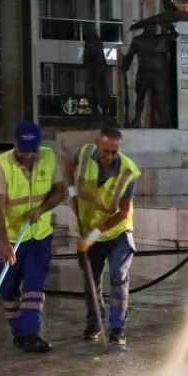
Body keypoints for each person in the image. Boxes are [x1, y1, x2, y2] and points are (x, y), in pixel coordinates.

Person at [0, 121, 66, 353]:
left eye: (32, 150)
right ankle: (19, 335)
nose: (27, 155)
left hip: (39, 236)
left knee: (34, 284)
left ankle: (31, 334)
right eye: (23, 150)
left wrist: (41, 210)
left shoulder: (49, 157)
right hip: (11, 238)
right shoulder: (1, 166)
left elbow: (60, 191)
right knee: (9, 289)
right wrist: (4, 243)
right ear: (15, 143)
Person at [71, 126, 141, 346]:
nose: (109, 156)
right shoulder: (84, 153)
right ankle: (95, 323)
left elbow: (123, 212)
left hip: (117, 231)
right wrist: (72, 190)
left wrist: (94, 234)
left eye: (114, 152)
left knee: (118, 278)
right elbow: (68, 163)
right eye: (105, 151)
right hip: (88, 228)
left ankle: (117, 329)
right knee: (91, 281)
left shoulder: (128, 172)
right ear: (97, 146)